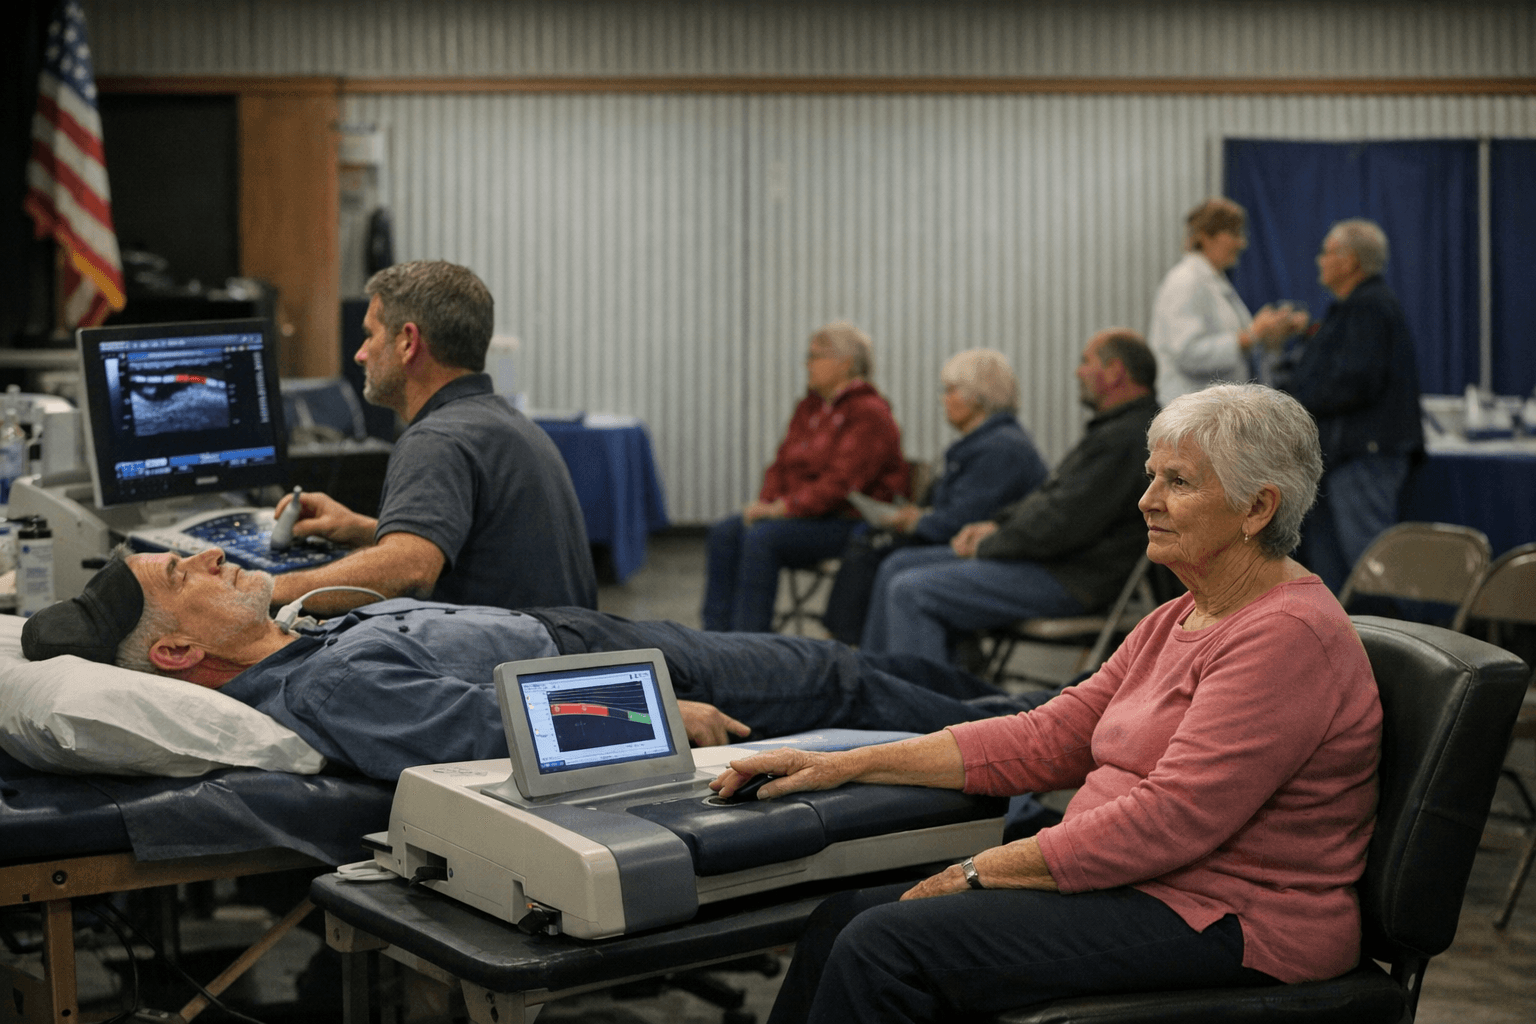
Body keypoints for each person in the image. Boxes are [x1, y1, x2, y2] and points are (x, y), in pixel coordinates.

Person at [714, 383, 1382, 1024]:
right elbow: (1048, 736)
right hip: (1144, 885)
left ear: (1258, 508)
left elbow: (1170, 820)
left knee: (883, 945)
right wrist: (844, 763)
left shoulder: (1286, 634)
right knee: (844, 918)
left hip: (1233, 918)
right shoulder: (1182, 615)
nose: (1146, 500)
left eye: (1177, 482)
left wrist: (982, 870)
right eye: (1152, 477)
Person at [18, 548, 1053, 783]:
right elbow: (485, 730)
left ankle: (1057, 716)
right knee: (841, 680)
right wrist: (656, 713)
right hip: (627, 670)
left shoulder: (290, 644)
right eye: (182, 571)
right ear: (176, 651)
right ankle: (1050, 739)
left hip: (584, 640)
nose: (209, 553)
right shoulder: (317, 686)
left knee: (850, 664)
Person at [269, 260, 597, 615]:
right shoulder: (510, 426)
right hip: (550, 659)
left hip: (491, 665)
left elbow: (409, 571)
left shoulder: (437, 439)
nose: (360, 354)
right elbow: (475, 549)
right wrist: (360, 529)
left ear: (408, 342)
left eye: (370, 334)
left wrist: (267, 588)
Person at [859, 329, 1158, 666]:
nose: (1078, 372)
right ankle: (878, 688)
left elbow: (1061, 524)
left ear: (1114, 372)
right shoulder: (1115, 432)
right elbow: (1053, 505)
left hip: (1072, 578)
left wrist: (990, 542)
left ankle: (911, 709)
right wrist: (994, 526)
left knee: (911, 589)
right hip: (1055, 563)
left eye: (1085, 362)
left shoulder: (1126, 440)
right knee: (897, 566)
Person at [820, 349, 1048, 645]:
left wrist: (915, 522)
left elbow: (961, 521)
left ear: (978, 397)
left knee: (888, 560)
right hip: (977, 545)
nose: (944, 399)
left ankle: (867, 661)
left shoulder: (1002, 448)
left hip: (997, 556)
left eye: (951, 390)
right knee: (876, 547)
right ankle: (867, 658)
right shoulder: (987, 442)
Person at [703, 321, 908, 633]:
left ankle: (749, 647)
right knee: (725, 533)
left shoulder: (869, 412)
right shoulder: (809, 407)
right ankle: (711, 643)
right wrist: (767, 502)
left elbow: (842, 485)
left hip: (847, 522)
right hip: (802, 514)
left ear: (845, 363)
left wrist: (781, 509)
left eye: (816, 356)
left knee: (762, 539)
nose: (807, 364)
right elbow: (782, 464)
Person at [1271, 219, 1424, 592]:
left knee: (1371, 569)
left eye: (1327, 252)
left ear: (1350, 261)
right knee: (1335, 572)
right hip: (1344, 458)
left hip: (1362, 458)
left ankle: (1404, 642)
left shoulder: (1368, 308)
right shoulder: (1356, 307)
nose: (1319, 259)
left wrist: (1294, 398)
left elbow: (1355, 380)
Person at [1147, 197, 1299, 404]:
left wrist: (1269, 335)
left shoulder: (1214, 281)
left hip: (1211, 411)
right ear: (1206, 237)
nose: (1242, 243)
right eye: (1234, 234)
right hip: (1190, 412)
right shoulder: (1186, 281)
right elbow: (1187, 354)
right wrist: (1250, 335)